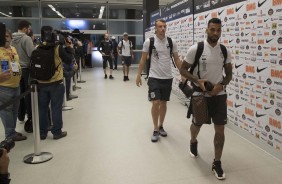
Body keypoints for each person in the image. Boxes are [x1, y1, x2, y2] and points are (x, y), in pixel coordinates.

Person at [180, 18, 232, 180]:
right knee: (197, 124)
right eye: (212, 30)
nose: (215, 33)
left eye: (218, 30)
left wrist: (221, 85)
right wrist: (197, 81)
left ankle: (217, 162)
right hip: (200, 96)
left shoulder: (224, 51)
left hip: (219, 96)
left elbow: (229, 74)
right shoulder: (197, 49)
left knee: (220, 129)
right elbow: (183, 70)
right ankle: (193, 141)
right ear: (207, 30)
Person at [136, 19, 182, 142]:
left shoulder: (171, 42)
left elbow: (177, 59)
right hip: (154, 77)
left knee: (163, 103)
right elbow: (143, 59)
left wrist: (183, 73)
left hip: (167, 77)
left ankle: (161, 125)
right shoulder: (149, 42)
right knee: (155, 102)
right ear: (155, 28)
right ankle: (155, 129)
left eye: (164, 26)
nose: (162, 28)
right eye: (160, 26)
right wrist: (138, 75)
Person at [36, 26, 74, 140]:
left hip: (41, 83)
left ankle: (42, 133)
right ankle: (57, 132)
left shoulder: (38, 47)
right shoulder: (57, 48)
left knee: (42, 108)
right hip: (55, 82)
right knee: (56, 108)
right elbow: (68, 60)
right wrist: (69, 48)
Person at [0, 29, 26, 141]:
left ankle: (12, 131)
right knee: (6, 111)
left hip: (16, 85)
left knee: (15, 110)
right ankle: (9, 134)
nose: (6, 38)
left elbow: (16, 63)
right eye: (4, 36)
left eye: (8, 36)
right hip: (4, 87)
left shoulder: (13, 49)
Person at [11, 20, 35, 127]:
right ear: (25, 28)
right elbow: (32, 54)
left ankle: (20, 116)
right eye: (29, 28)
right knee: (28, 93)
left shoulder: (11, 38)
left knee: (19, 93)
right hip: (26, 69)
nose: (29, 30)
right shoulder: (26, 38)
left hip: (15, 68)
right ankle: (30, 117)